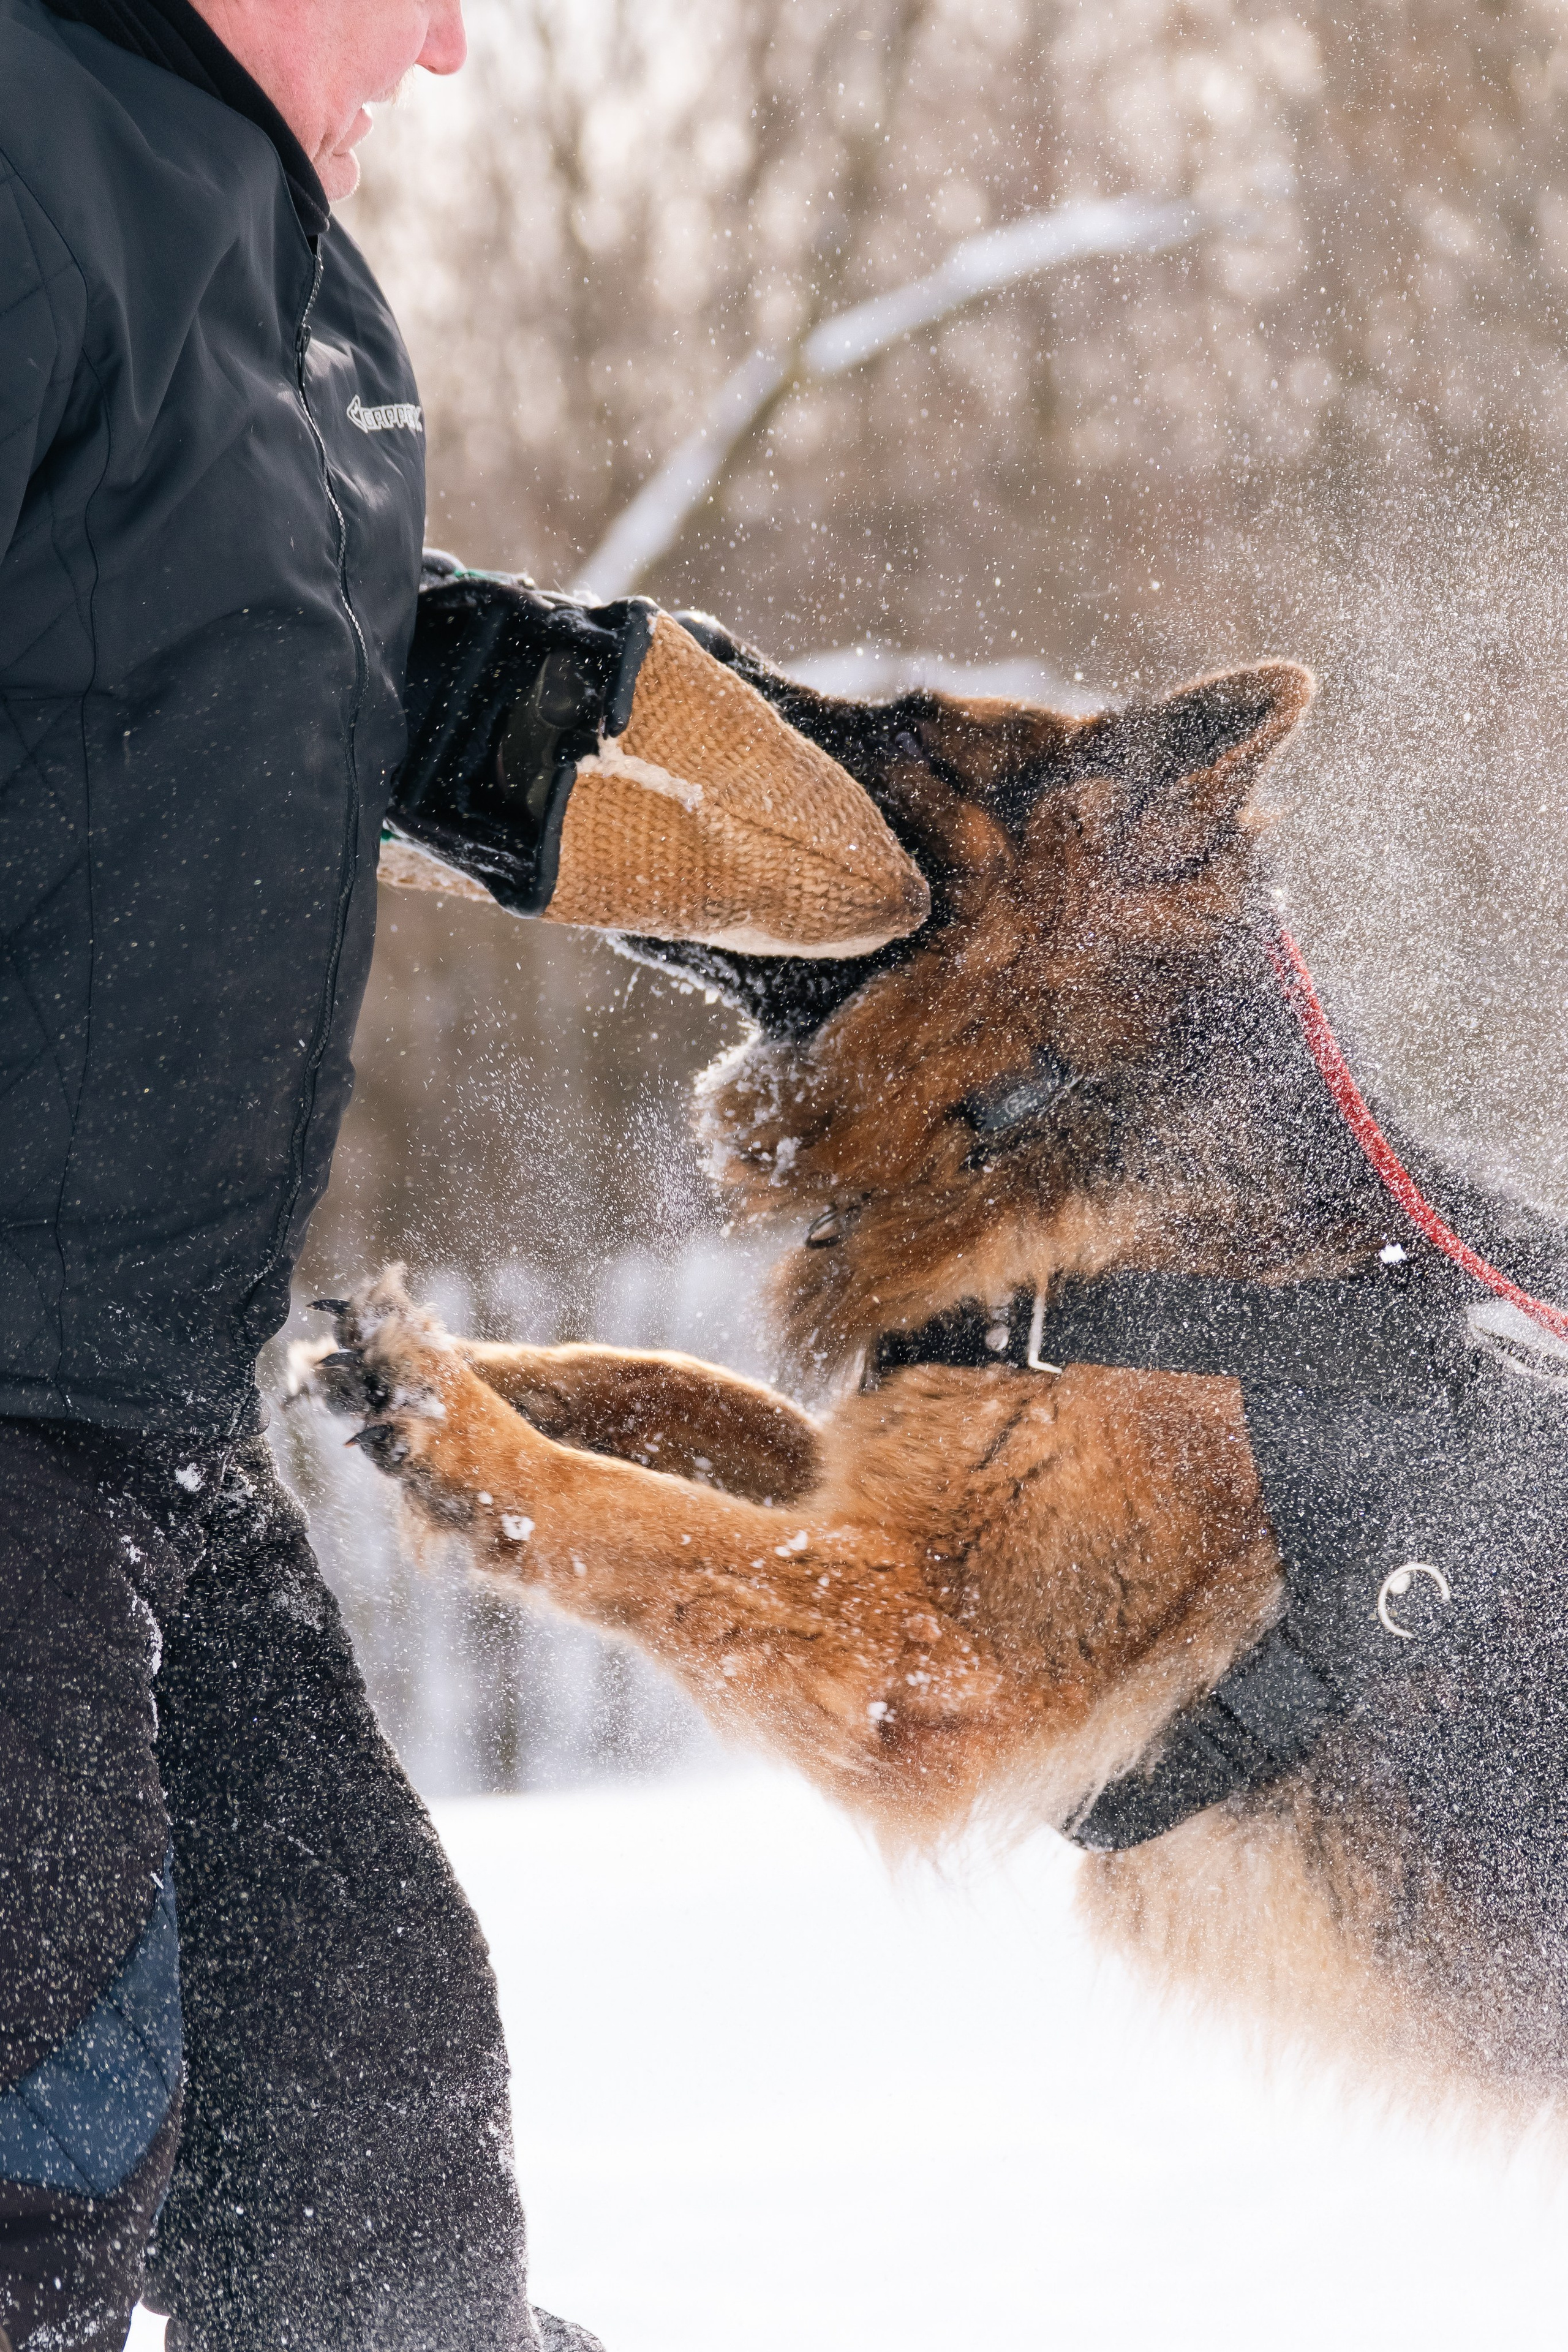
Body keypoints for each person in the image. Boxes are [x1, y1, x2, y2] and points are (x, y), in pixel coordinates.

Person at [0, 1, 923, 2345]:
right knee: (43, 2137)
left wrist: (526, 725)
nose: (454, 40)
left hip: (147, 1404)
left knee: (373, 2161)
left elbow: (166, 631)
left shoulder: (286, 266)